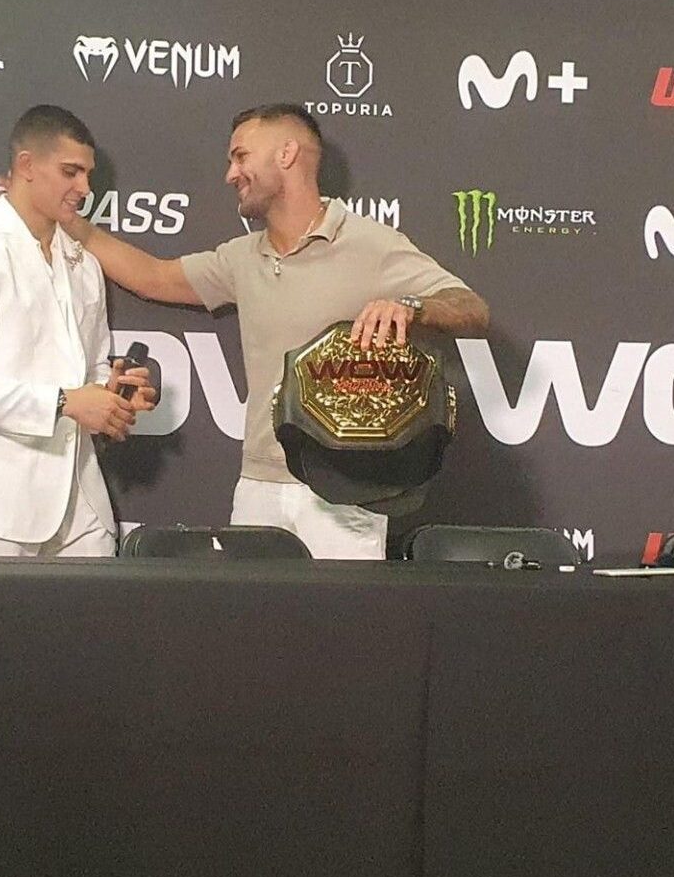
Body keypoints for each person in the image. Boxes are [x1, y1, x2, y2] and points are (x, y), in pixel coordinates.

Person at [62, 103, 489, 559]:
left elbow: (472, 309)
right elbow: (153, 277)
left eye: (241, 156)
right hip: (257, 488)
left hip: (345, 493)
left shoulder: (371, 244)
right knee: (253, 629)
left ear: (287, 153)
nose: (231, 173)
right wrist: (63, 219)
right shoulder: (241, 258)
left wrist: (411, 306)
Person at [0, 105, 155, 557]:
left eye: (87, 174)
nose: (84, 188)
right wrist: (66, 403)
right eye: (71, 172)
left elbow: (88, 368)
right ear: (26, 165)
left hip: (84, 508)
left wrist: (111, 395)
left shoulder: (84, 263)